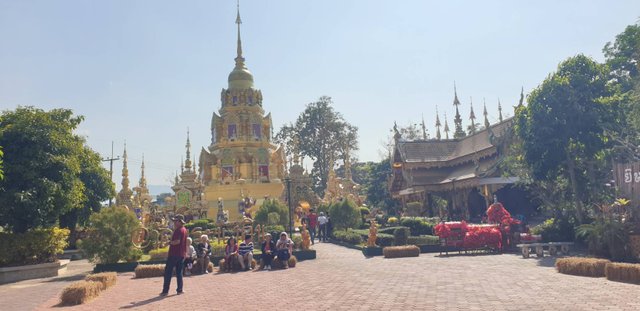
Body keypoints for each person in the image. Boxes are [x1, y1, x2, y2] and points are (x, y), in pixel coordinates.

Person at [160, 214, 187, 296]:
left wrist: (169, 242)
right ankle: (180, 289)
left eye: (176, 221)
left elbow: (177, 242)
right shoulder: (184, 229)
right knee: (179, 273)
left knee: (168, 272)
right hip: (181, 254)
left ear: (180, 221)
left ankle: (165, 291)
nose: (174, 222)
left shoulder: (178, 230)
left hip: (174, 254)